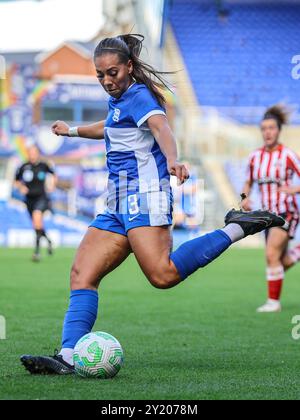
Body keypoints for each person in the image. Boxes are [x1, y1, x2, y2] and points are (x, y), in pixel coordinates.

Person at [20, 34, 285, 375]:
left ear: (129, 67)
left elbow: (161, 128)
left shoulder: (140, 96)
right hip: (117, 201)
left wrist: (173, 160)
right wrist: (71, 131)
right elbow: (111, 127)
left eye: (112, 72)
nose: (106, 80)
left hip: (145, 195)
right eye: (100, 75)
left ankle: (237, 227)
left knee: (162, 275)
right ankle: (69, 357)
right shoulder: (121, 101)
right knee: (81, 274)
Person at [241, 106, 300, 313]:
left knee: (270, 254)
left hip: (287, 213)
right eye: (264, 128)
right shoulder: (255, 157)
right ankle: (298, 252)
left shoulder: (288, 156)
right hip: (268, 216)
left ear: (278, 130)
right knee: (278, 261)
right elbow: (247, 184)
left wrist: (294, 188)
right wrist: (244, 199)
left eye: (271, 128)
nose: (267, 132)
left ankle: (273, 302)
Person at [15, 144, 57, 261]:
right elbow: (17, 181)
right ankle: (48, 241)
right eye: (30, 153)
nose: (32, 155)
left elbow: (53, 174)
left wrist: (52, 185)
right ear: (28, 154)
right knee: (37, 225)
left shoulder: (44, 165)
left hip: (42, 198)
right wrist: (21, 187)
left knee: (37, 218)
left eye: (34, 153)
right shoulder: (24, 167)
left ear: (38, 154)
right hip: (29, 200)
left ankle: (37, 252)